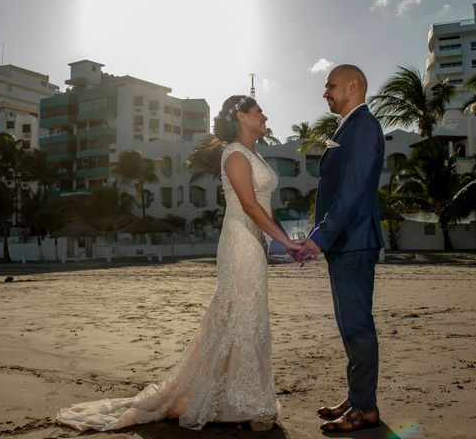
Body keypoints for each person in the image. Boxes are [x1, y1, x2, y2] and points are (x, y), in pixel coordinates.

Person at [57, 95, 301, 432]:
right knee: (243, 316)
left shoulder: (255, 153)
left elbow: (265, 203)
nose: (265, 115)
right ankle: (250, 403)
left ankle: (244, 397)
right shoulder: (234, 155)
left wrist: (281, 241)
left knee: (248, 317)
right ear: (242, 117)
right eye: (258, 111)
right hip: (240, 241)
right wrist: (286, 240)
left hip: (255, 243)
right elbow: (247, 205)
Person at [297, 64, 385, 432]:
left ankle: (365, 409)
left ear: (353, 86)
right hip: (346, 243)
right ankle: (358, 396)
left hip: (353, 242)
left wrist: (319, 236)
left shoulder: (363, 126)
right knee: (350, 326)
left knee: (357, 326)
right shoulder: (350, 126)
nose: (325, 92)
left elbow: (352, 191)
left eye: (330, 85)